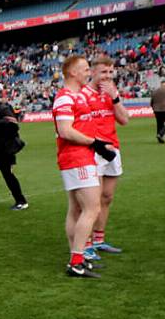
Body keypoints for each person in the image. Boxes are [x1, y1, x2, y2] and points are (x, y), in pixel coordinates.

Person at [52, 54, 116, 279]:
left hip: (80, 156)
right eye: (85, 69)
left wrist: (97, 143)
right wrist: (95, 143)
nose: (88, 72)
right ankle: (77, 261)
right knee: (92, 208)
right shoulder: (65, 98)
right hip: (77, 158)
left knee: (77, 209)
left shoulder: (76, 97)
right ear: (72, 72)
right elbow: (65, 130)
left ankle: (78, 257)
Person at [81, 55, 129, 256]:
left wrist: (115, 97)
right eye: (103, 72)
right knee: (93, 201)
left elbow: (124, 120)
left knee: (107, 197)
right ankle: (87, 243)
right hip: (94, 151)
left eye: (110, 72)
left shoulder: (112, 94)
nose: (107, 76)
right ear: (92, 72)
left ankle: (99, 239)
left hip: (113, 149)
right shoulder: (83, 94)